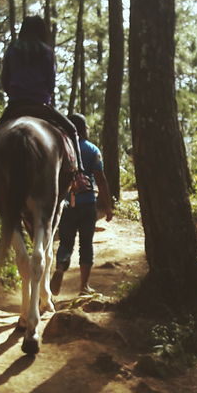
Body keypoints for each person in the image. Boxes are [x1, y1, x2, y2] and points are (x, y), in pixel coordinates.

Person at [0, 15, 88, 193]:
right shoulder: (47, 52)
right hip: (40, 104)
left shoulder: (12, 50)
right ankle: (79, 175)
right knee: (71, 129)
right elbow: (51, 83)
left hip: (16, 105)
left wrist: (14, 93)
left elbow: (5, 79)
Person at [50, 113, 114, 297]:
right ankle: (84, 286)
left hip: (66, 205)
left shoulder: (61, 149)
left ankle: (60, 269)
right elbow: (101, 180)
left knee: (65, 242)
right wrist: (108, 206)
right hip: (87, 205)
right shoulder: (92, 150)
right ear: (84, 129)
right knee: (86, 244)